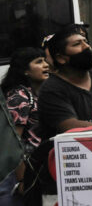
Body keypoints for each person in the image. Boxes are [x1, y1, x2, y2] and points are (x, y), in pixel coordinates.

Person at [0, 48, 49, 204]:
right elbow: (13, 142)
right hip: (15, 173)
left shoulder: (36, 93)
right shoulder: (19, 97)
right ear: (25, 71)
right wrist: (22, 179)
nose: (46, 65)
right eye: (39, 62)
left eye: (45, 60)